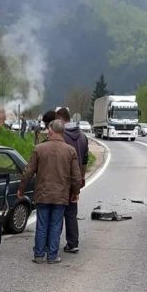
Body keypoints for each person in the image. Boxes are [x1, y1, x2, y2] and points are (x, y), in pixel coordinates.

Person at [17, 119, 81, 264]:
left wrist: (21, 189)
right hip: (61, 195)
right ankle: (52, 256)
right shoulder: (70, 150)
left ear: (51, 131)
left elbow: (28, 172)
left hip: (42, 194)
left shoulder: (39, 148)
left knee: (42, 224)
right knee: (56, 225)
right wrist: (75, 192)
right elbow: (76, 177)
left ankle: (39, 255)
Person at [55, 107, 89, 254]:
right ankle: (73, 243)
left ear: (60, 118)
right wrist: (82, 177)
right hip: (75, 181)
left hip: (61, 180)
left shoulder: (61, 136)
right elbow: (85, 160)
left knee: (56, 214)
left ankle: (53, 244)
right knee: (71, 214)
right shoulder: (83, 137)